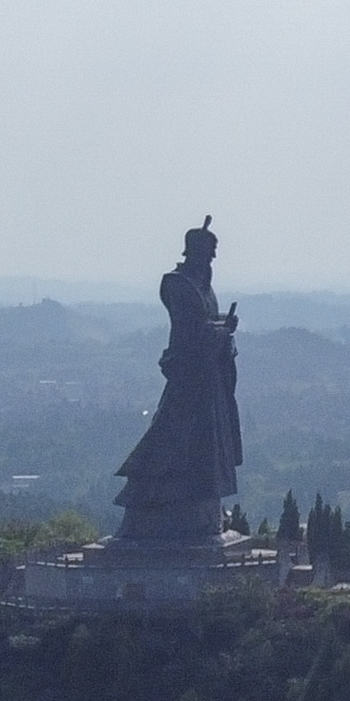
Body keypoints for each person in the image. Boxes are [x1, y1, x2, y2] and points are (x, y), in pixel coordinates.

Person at [112, 219, 243, 547]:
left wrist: (223, 329)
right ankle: (153, 498)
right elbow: (190, 331)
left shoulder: (202, 283)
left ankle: (199, 506)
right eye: (209, 253)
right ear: (196, 252)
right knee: (173, 434)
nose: (212, 261)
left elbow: (206, 324)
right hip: (189, 375)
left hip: (207, 377)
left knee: (203, 443)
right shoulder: (179, 285)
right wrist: (221, 331)